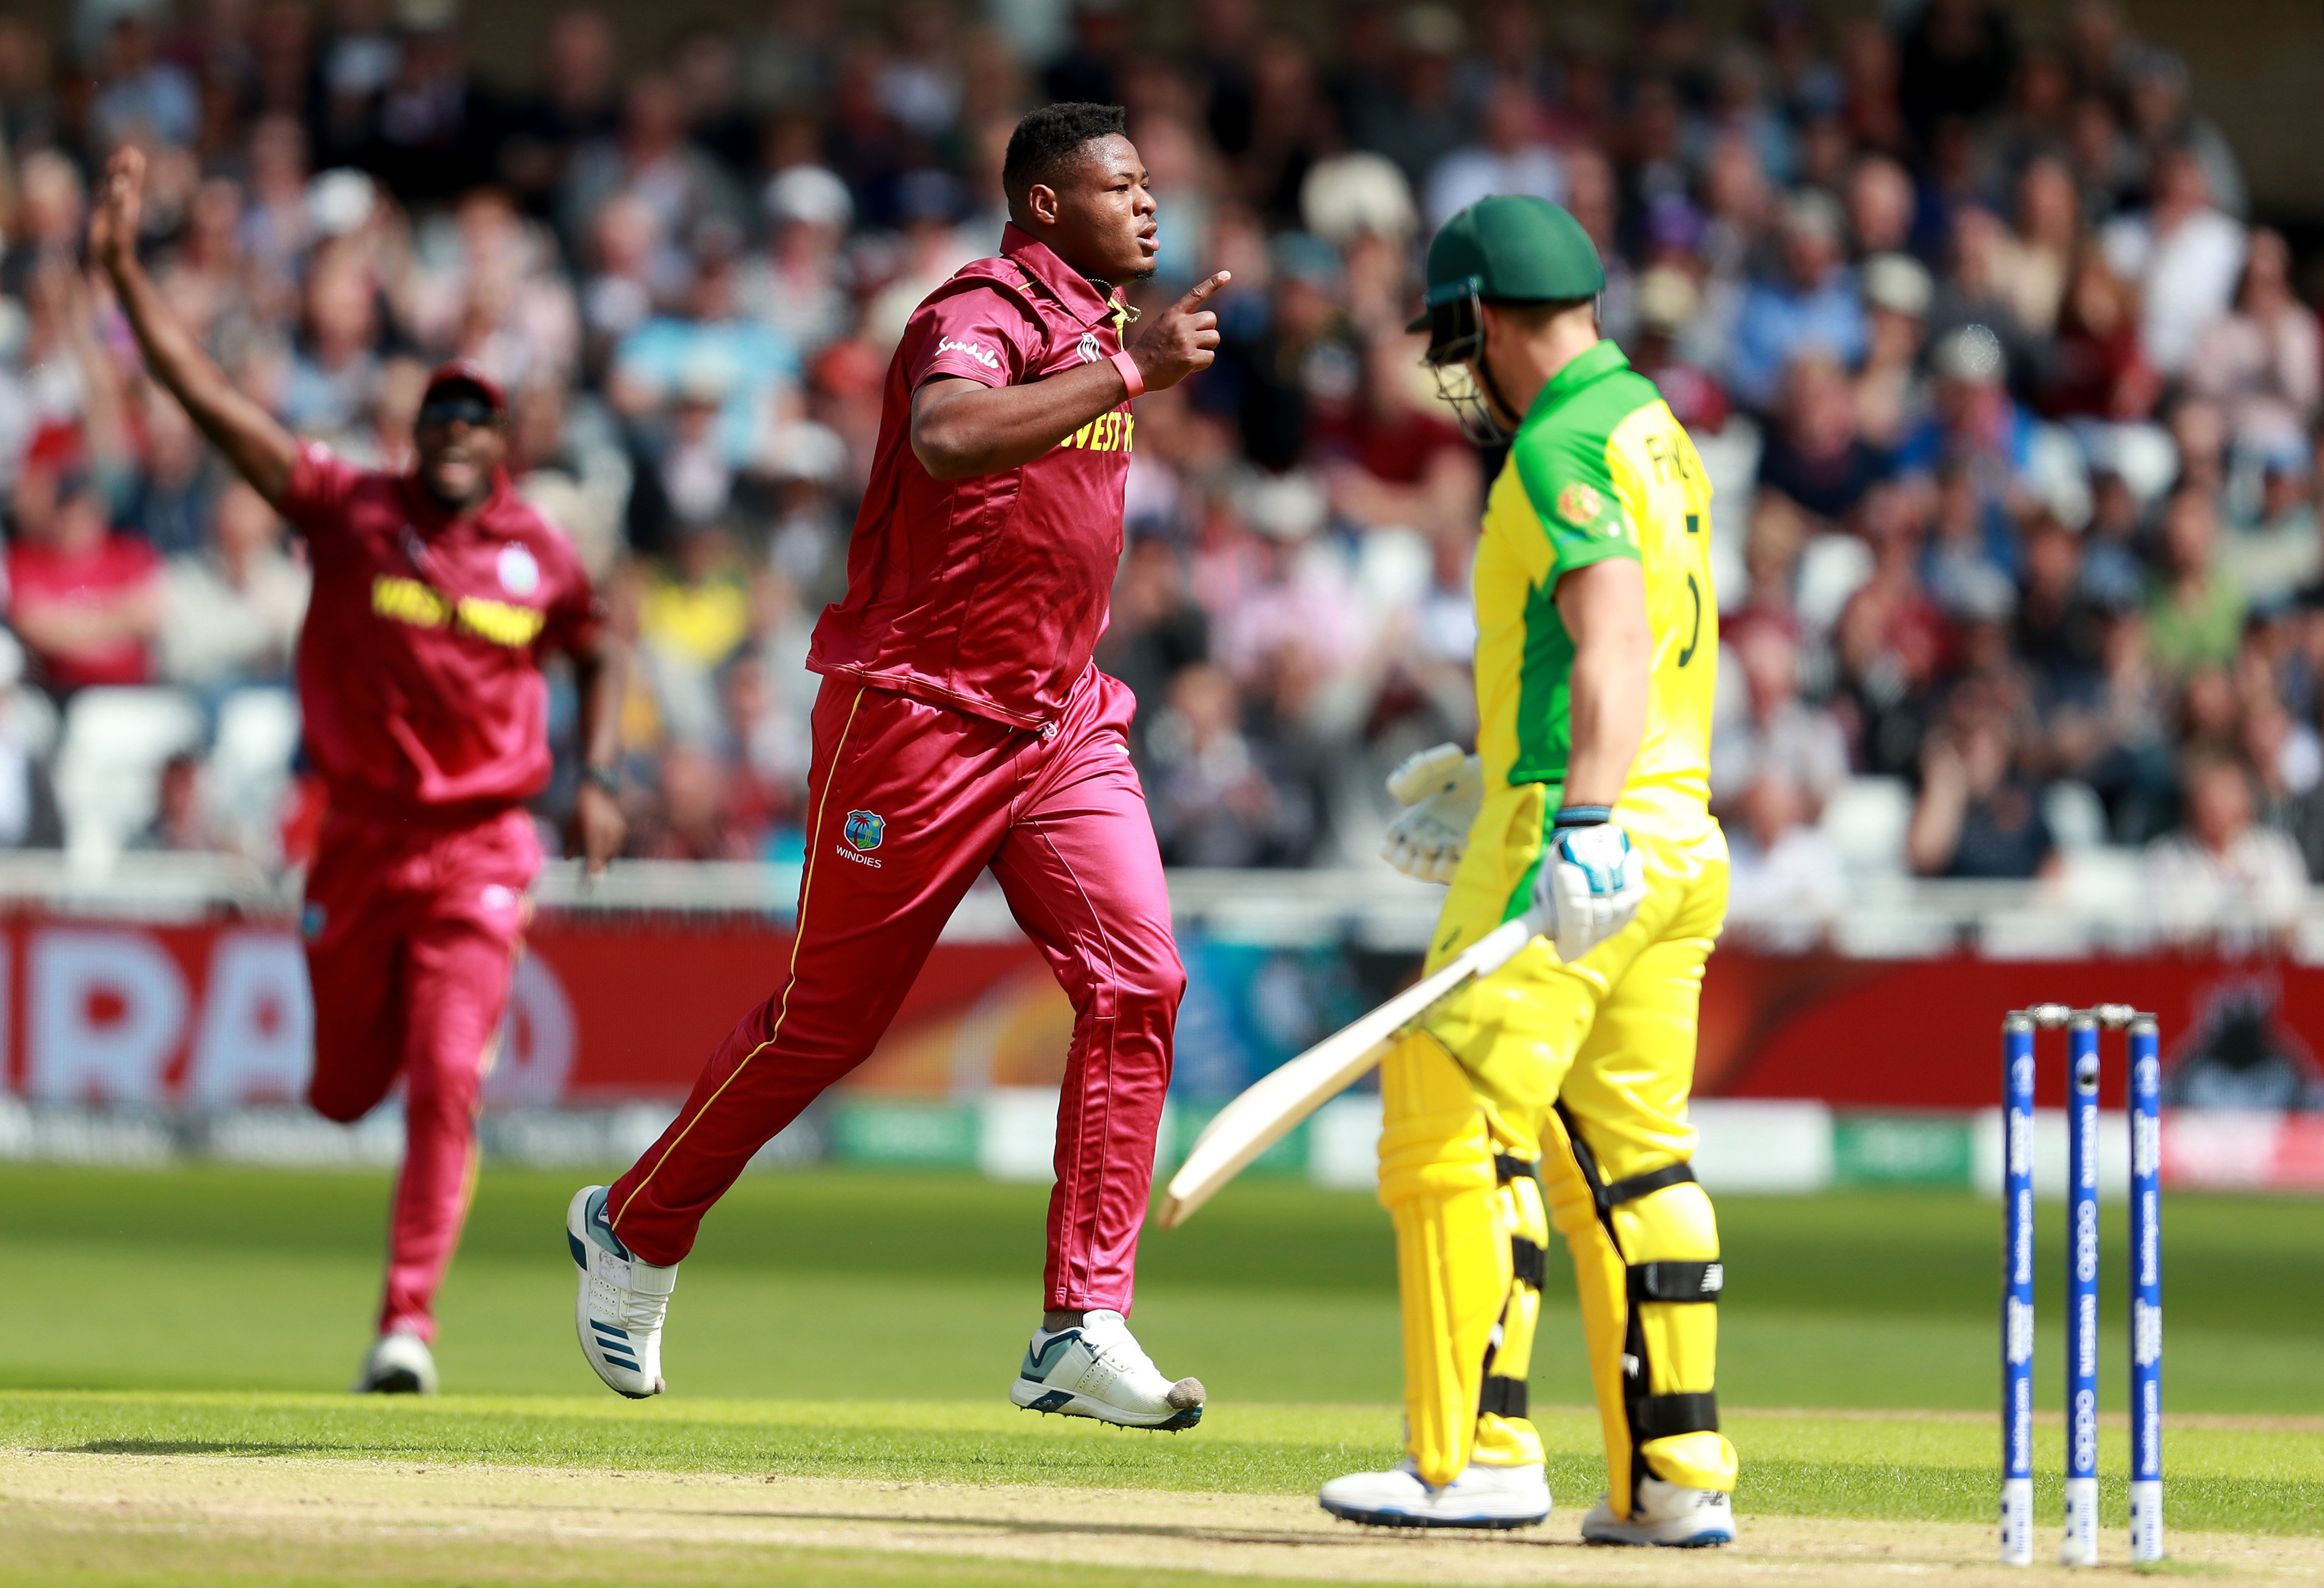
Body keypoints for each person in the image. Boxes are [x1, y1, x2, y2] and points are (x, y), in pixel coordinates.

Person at [566, 103, 1228, 1432]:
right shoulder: (973, 307)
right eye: (1120, 187)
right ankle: (633, 1230)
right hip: (916, 717)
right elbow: (945, 437)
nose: (1149, 207)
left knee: (1139, 978)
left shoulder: (1106, 332)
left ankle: (1078, 1323)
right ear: (1045, 206)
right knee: (831, 1022)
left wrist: (1124, 366)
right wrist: (1129, 376)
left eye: (1152, 186)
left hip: (1060, 724)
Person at [89, 147, 627, 1396]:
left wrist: (595, 773)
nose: (454, 432)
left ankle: (407, 1325)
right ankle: (371, 1108)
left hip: (486, 845)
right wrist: (121, 274)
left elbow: (601, 649)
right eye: (439, 415)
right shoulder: (348, 507)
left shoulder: (538, 552)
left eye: (475, 418)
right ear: (415, 430)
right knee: (340, 1096)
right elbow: (216, 404)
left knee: (448, 1076)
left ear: (501, 439)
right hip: (358, 838)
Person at [1323, 196, 1736, 1546]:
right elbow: (1613, 656)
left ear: (1486, 319)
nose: (1457, 362)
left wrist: (1569, 816)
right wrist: (1503, 759)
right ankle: (1671, 1483)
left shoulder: (1555, 443)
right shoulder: (1651, 428)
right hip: (1676, 836)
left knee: (1446, 1107)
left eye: (1457, 333)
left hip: (1584, 824)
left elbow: (1612, 639)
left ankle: (1469, 1459)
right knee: (1627, 1156)